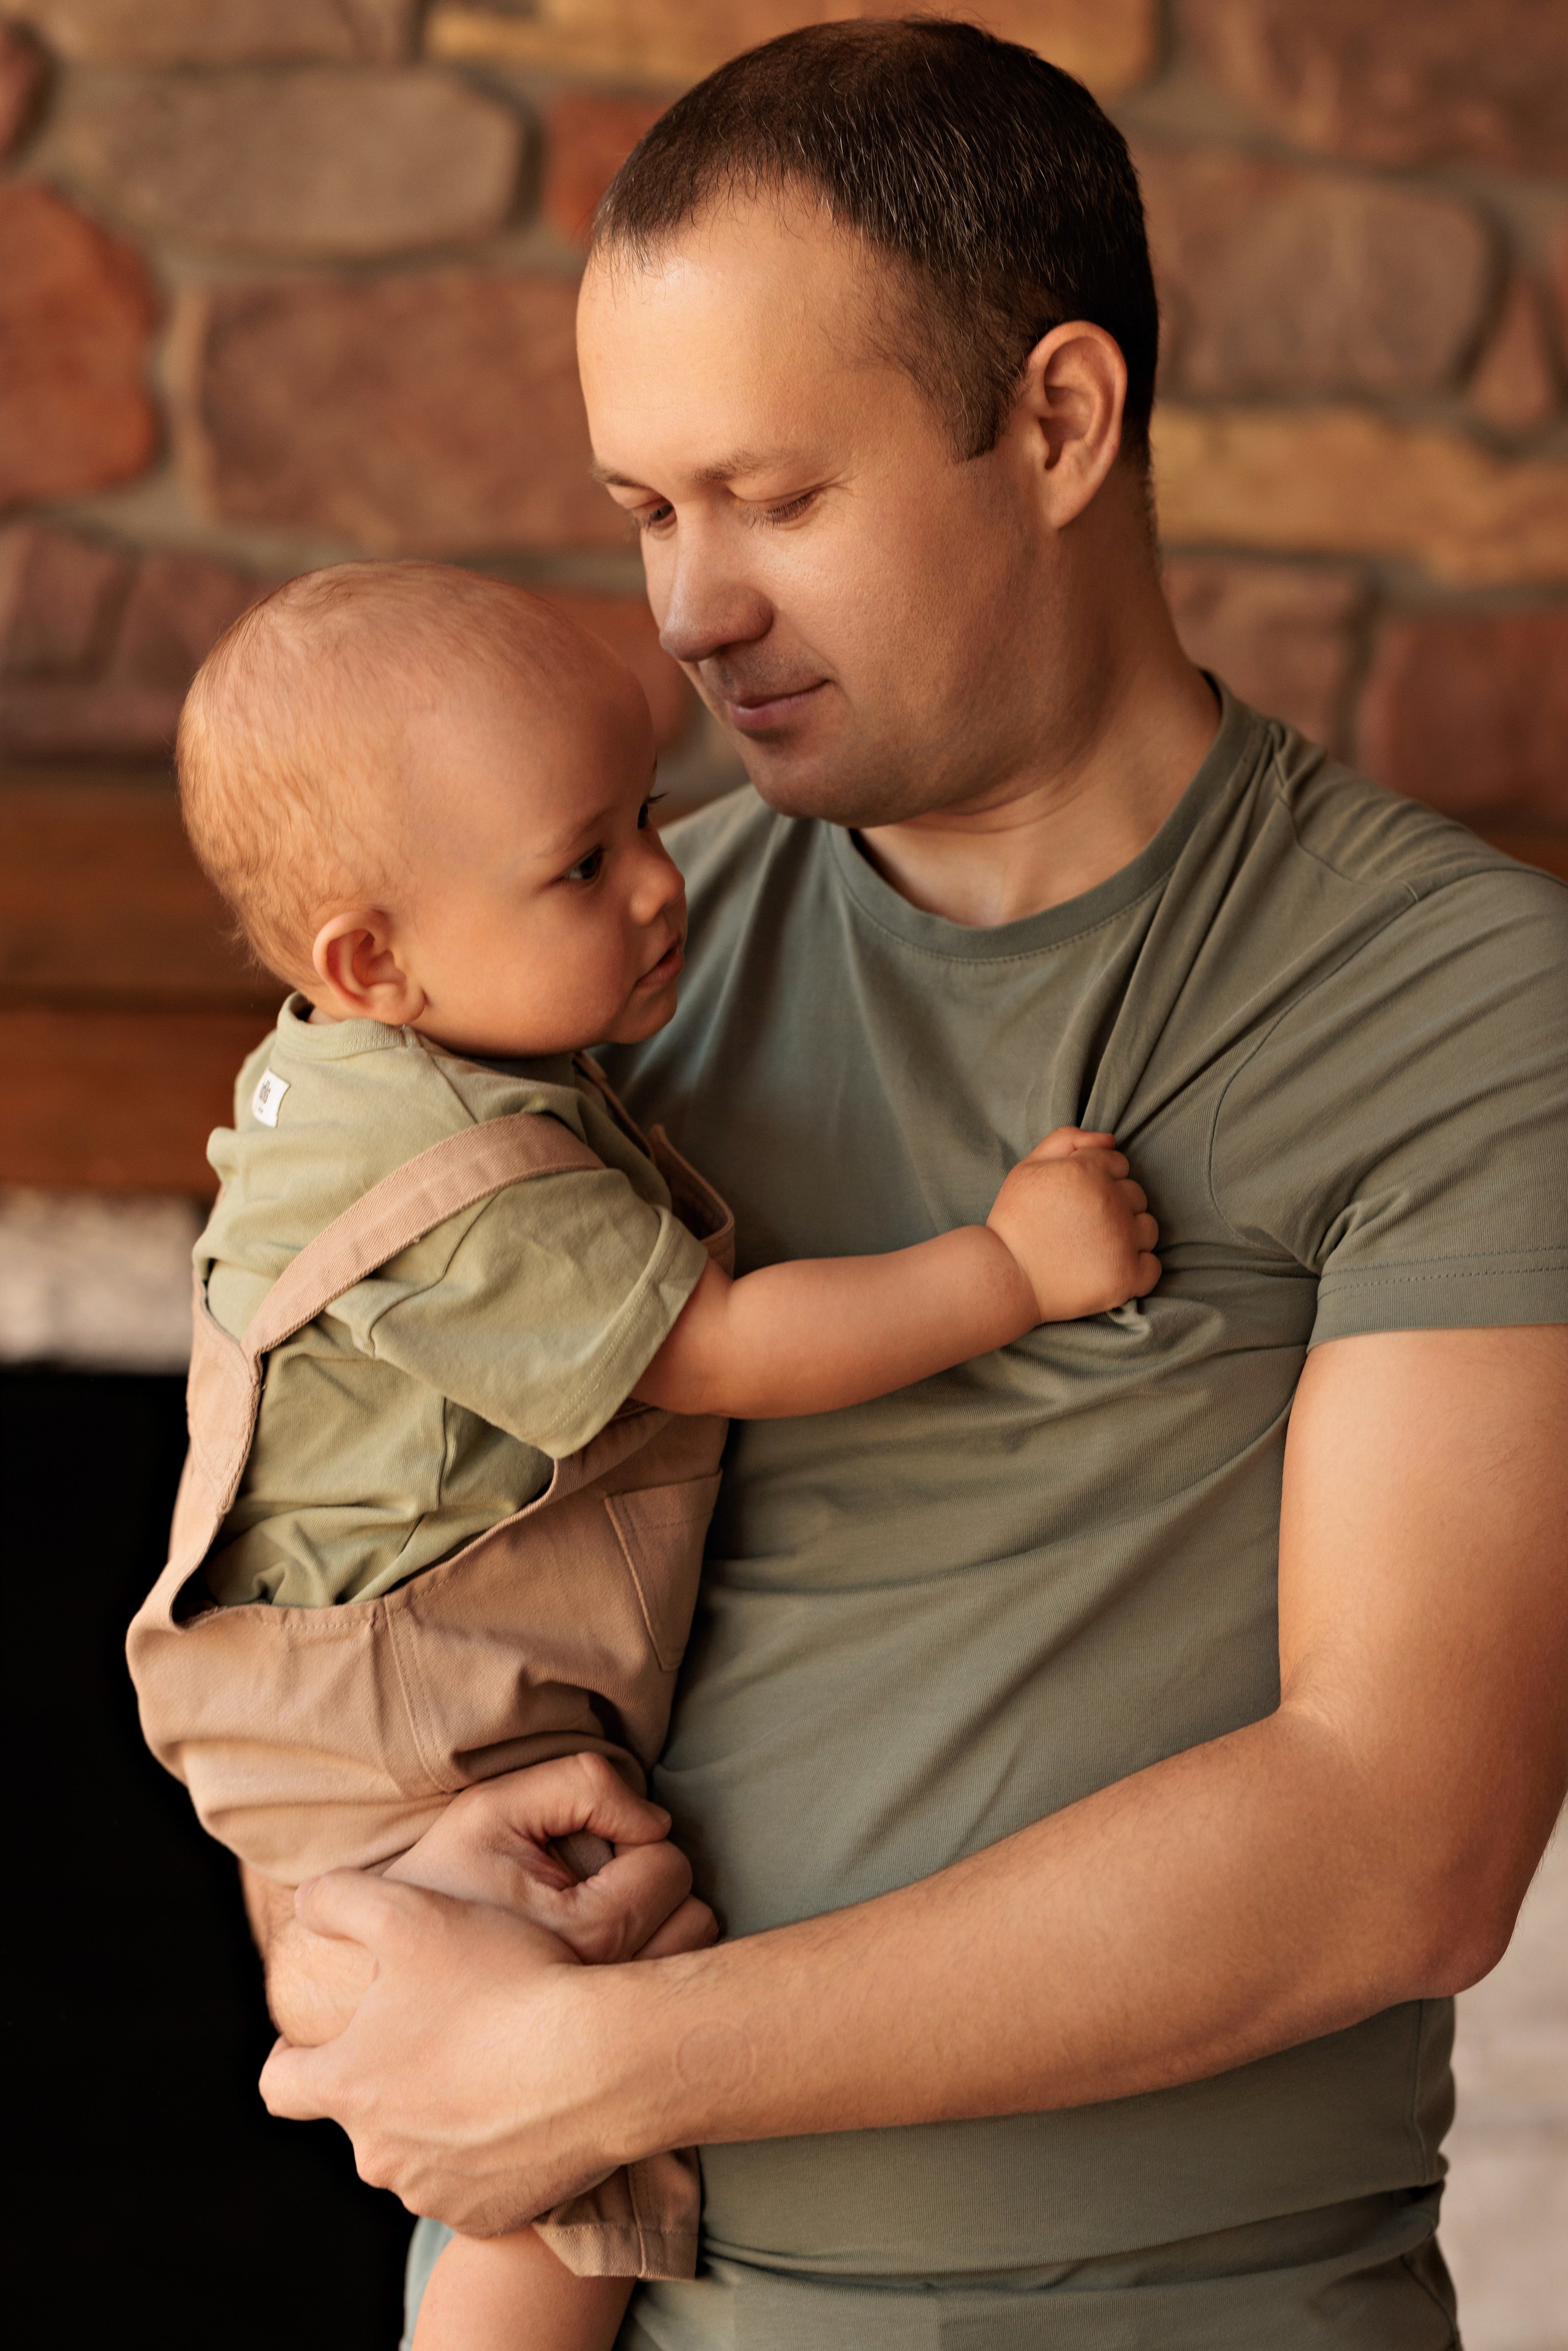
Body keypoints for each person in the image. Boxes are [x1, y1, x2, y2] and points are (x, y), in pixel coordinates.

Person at [258, 23, 1568, 2350]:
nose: (689, 609)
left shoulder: (1460, 1000)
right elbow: (360, 1568)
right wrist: (393, 1925)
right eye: (649, 510)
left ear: (1058, 421)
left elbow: (1404, 1845)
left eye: (774, 493)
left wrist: (600, 2059)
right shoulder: (599, 975)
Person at [127, 558, 1158, 2351]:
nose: (667, 883)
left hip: (340, 1702)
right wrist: (1007, 1271)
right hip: (396, 1729)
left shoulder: (378, 1052)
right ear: (374, 959)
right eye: (582, 867)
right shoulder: (468, 1195)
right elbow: (724, 1351)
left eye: (649, 815)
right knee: (558, 2100)